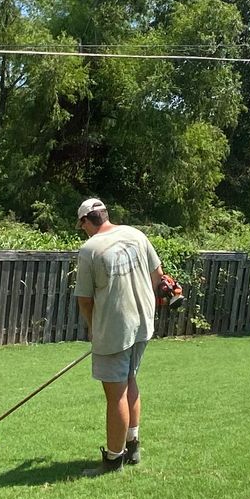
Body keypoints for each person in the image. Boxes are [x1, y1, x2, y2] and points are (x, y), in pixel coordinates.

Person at [73, 197, 159, 474]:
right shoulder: (136, 234)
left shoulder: (90, 249)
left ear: (87, 221)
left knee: (115, 394)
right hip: (143, 323)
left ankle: (113, 459)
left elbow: (85, 300)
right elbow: (159, 276)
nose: (82, 229)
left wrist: (93, 328)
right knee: (130, 379)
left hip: (114, 328)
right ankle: (133, 445)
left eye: (81, 225)